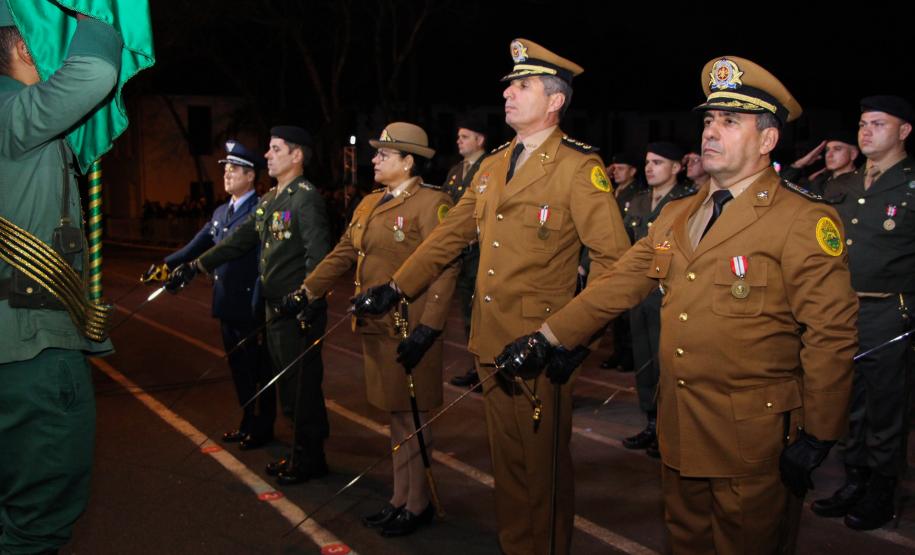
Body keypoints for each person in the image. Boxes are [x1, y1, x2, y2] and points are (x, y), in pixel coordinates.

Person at [498, 55, 859, 553]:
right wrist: (549, 337)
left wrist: (819, 434)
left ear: (768, 140)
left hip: (750, 438)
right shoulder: (680, 213)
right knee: (686, 542)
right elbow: (621, 281)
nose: (711, 132)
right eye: (709, 120)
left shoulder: (801, 219)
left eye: (730, 121)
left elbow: (831, 334)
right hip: (680, 426)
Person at [352, 39, 629, 555]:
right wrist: (396, 287)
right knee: (509, 469)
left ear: (554, 101)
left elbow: (614, 262)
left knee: (542, 472)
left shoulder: (577, 167)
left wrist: (574, 339)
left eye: (521, 86)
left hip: (540, 346)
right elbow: (450, 235)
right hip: (490, 344)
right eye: (508, 85)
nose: (507, 93)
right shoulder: (496, 164)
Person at [293, 122, 456, 537]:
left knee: (412, 418)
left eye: (384, 154)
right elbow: (345, 251)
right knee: (396, 415)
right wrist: (308, 290)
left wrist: (431, 327)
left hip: (410, 326)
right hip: (377, 326)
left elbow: (445, 267)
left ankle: (416, 503)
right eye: (377, 153)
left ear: (408, 161)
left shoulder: (431, 204)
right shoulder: (369, 204)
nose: (375, 160)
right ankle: (400, 497)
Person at [0, 7, 120, 553]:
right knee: (35, 526)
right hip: (30, 357)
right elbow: (94, 72)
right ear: (27, 49)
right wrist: (97, 12)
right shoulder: (12, 113)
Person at [167, 126, 332, 485]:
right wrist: (195, 266)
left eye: (275, 149)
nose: (268, 155)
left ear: (297, 155)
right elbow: (239, 240)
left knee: (300, 386)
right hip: (275, 309)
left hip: (296, 309)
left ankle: (310, 456)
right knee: (287, 386)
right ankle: (301, 453)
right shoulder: (273, 199)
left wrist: (309, 299)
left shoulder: (305, 198)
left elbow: (319, 256)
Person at [811, 95, 914, 531]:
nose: (866, 132)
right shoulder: (845, 185)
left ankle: (881, 489)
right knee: (848, 401)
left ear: (904, 131)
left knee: (886, 407)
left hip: (891, 311)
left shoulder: (911, 183)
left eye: (877, 123)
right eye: (861, 124)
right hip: (842, 310)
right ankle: (854, 479)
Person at [144, 140, 272, 449]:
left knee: (257, 368)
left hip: (249, 301)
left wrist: (258, 301)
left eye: (235, 169)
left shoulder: (261, 209)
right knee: (238, 368)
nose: (227, 174)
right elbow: (196, 246)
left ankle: (262, 427)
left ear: (251, 176)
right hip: (226, 301)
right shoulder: (220, 211)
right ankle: (246, 422)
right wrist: (163, 265)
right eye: (226, 169)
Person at [621, 142, 696, 458]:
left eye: (659, 162)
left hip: (669, 295)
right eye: (648, 162)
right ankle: (651, 422)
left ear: (677, 167)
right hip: (641, 295)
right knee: (644, 361)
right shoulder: (637, 203)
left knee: (669, 363)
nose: (650, 167)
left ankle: (670, 428)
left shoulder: (688, 202)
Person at [445, 115, 487, 388]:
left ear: (480, 140)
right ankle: (477, 366)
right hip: (462, 252)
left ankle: (486, 368)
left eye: (465, 137)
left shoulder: (491, 167)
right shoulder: (455, 171)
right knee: (468, 311)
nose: (459, 141)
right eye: (459, 137)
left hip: (482, 252)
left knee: (483, 311)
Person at [782, 133, 860, 196]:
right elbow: (780, 188)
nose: (829, 155)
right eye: (827, 150)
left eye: (837, 149)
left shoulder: (862, 182)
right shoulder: (819, 182)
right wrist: (799, 164)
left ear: (853, 154)